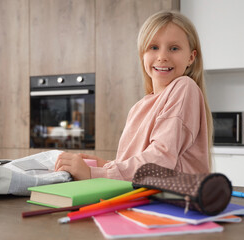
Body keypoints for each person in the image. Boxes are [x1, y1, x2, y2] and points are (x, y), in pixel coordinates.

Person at [55, 10, 213, 181]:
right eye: (153, 47)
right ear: (142, 55)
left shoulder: (184, 87)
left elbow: (160, 159)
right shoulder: (138, 107)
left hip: (174, 204)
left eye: (174, 48)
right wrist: (105, 164)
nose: (162, 57)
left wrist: (95, 174)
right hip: (145, 199)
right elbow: (134, 167)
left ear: (191, 57)